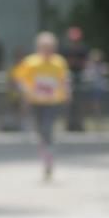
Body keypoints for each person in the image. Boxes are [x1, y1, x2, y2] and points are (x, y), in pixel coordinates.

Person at [12, 32, 69, 180]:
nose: (47, 51)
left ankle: (49, 158)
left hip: (53, 102)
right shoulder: (30, 62)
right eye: (44, 48)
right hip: (35, 102)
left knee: (47, 128)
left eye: (50, 48)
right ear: (39, 48)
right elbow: (19, 79)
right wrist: (26, 91)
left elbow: (64, 80)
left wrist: (66, 93)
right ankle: (47, 153)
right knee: (40, 131)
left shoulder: (59, 62)